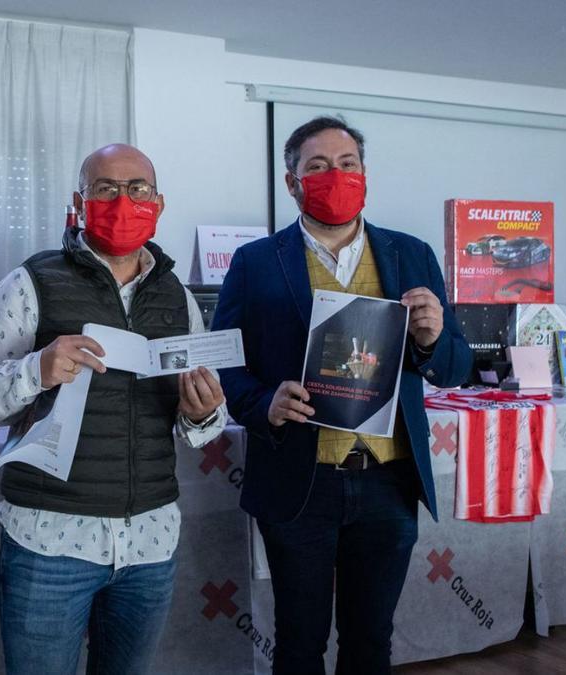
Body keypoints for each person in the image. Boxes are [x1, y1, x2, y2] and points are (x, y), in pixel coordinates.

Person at [210, 116, 471, 674]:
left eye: (347, 164)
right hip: (299, 484)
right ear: (292, 182)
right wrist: (265, 405)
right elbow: (224, 368)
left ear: (365, 174)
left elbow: (455, 366)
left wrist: (428, 339)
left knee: (371, 640)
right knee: (300, 643)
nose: (336, 175)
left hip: (388, 481)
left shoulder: (412, 255)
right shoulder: (255, 263)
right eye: (318, 166)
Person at [0, 143, 227, 675]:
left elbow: (200, 427)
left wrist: (202, 413)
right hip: (49, 542)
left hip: (149, 544)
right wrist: (36, 369)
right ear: (80, 202)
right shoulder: (30, 283)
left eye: (138, 189)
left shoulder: (179, 297)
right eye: (105, 188)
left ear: (160, 203)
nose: (123, 200)